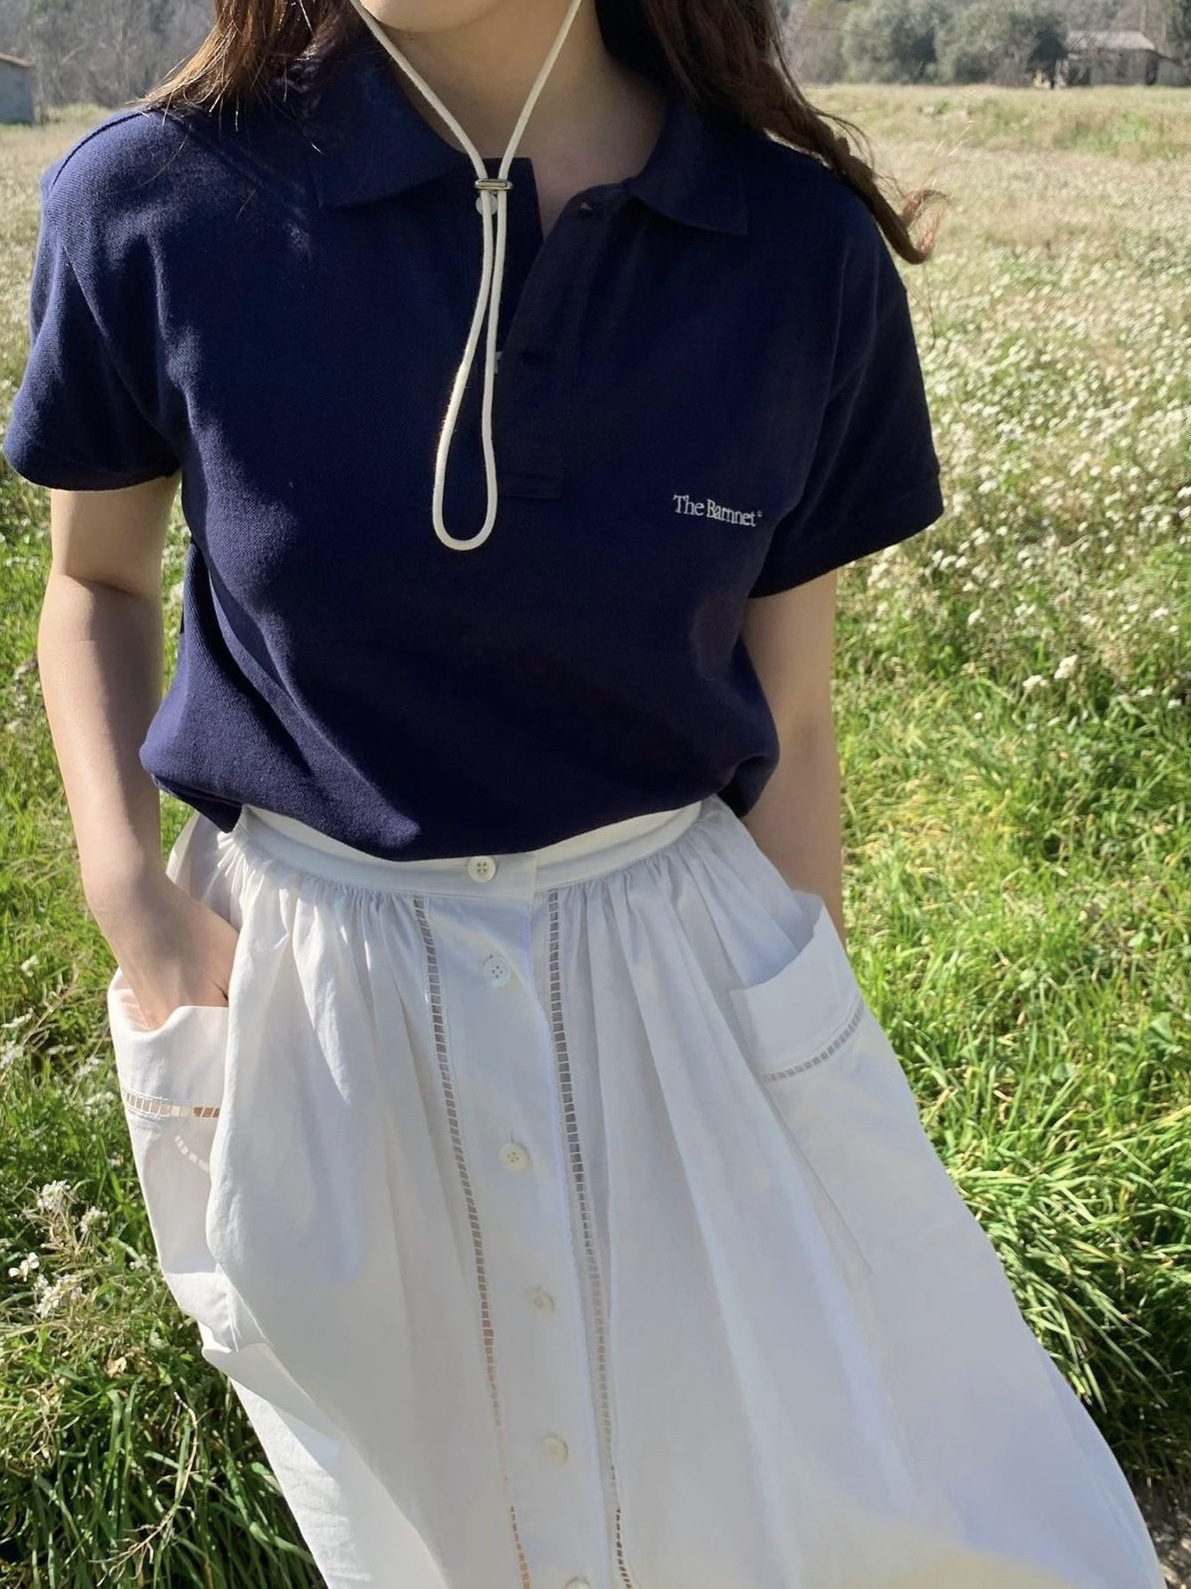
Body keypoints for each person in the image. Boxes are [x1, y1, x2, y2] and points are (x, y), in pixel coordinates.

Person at [1, 0, 1167, 1584]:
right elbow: (97, 583)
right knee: (430, 1536)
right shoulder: (158, 200)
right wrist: (128, 894)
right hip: (304, 991)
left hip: (680, 975)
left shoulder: (792, 250)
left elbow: (793, 713)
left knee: (865, 1510)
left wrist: (796, 1037)